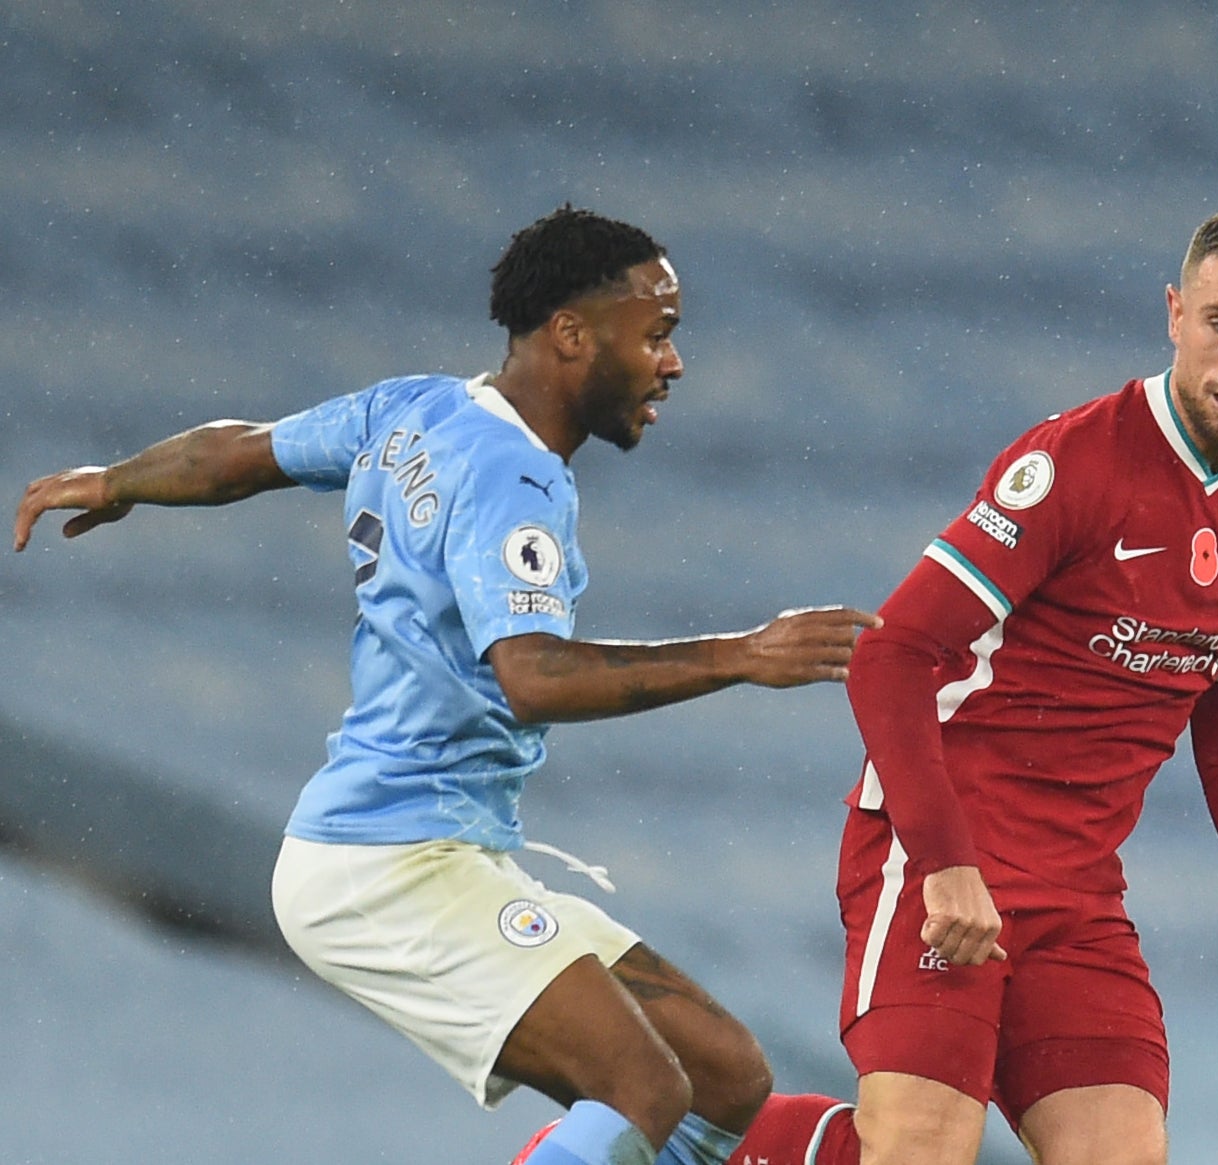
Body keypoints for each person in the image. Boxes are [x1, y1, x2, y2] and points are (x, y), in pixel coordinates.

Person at [13, 206, 879, 1165]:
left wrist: (118, 479)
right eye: (658, 334)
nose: (671, 363)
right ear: (572, 334)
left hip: (425, 847)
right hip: (390, 861)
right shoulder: (514, 480)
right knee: (643, 1087)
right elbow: (532, 677)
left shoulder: (419, 407)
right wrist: (740, 655)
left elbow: (236, 454)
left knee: (724, 1076)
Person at [707, 202, 1218, 1165]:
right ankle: (682, 1128)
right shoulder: (1071, 462)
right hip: (937, 855)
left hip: (1077, 895)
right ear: (1175, 314)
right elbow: (893, 654)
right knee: (919, 1152)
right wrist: (945, 860)